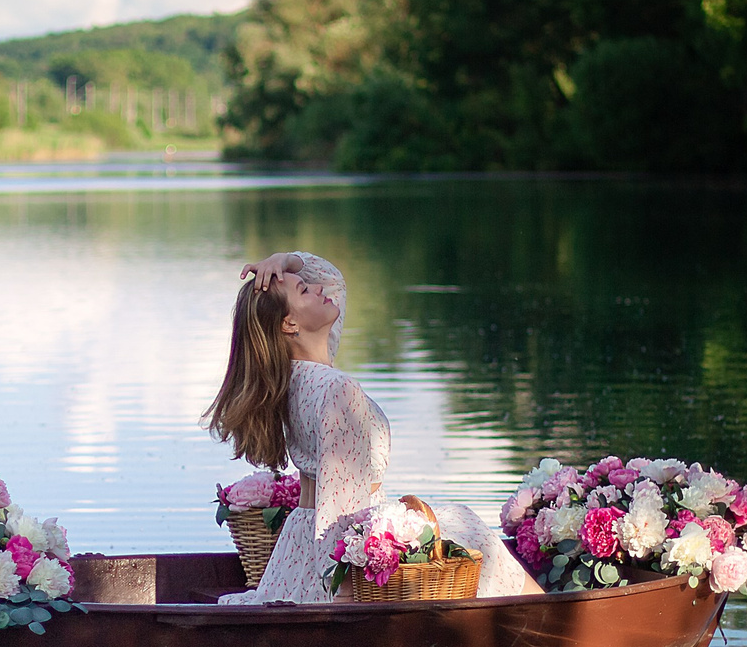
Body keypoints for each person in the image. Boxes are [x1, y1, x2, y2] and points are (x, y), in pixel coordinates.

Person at [204, 251, 540, 604]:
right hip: (334, 539)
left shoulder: (294, 375)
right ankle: (548, 622)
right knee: (468, 528)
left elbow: (332, 281)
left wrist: (287, 262)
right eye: (305, 290)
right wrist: (346, 598)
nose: (320, 289)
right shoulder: (336, 389)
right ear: (290, 324)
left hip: (301, 536)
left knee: (461, 521)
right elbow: (340, 504)